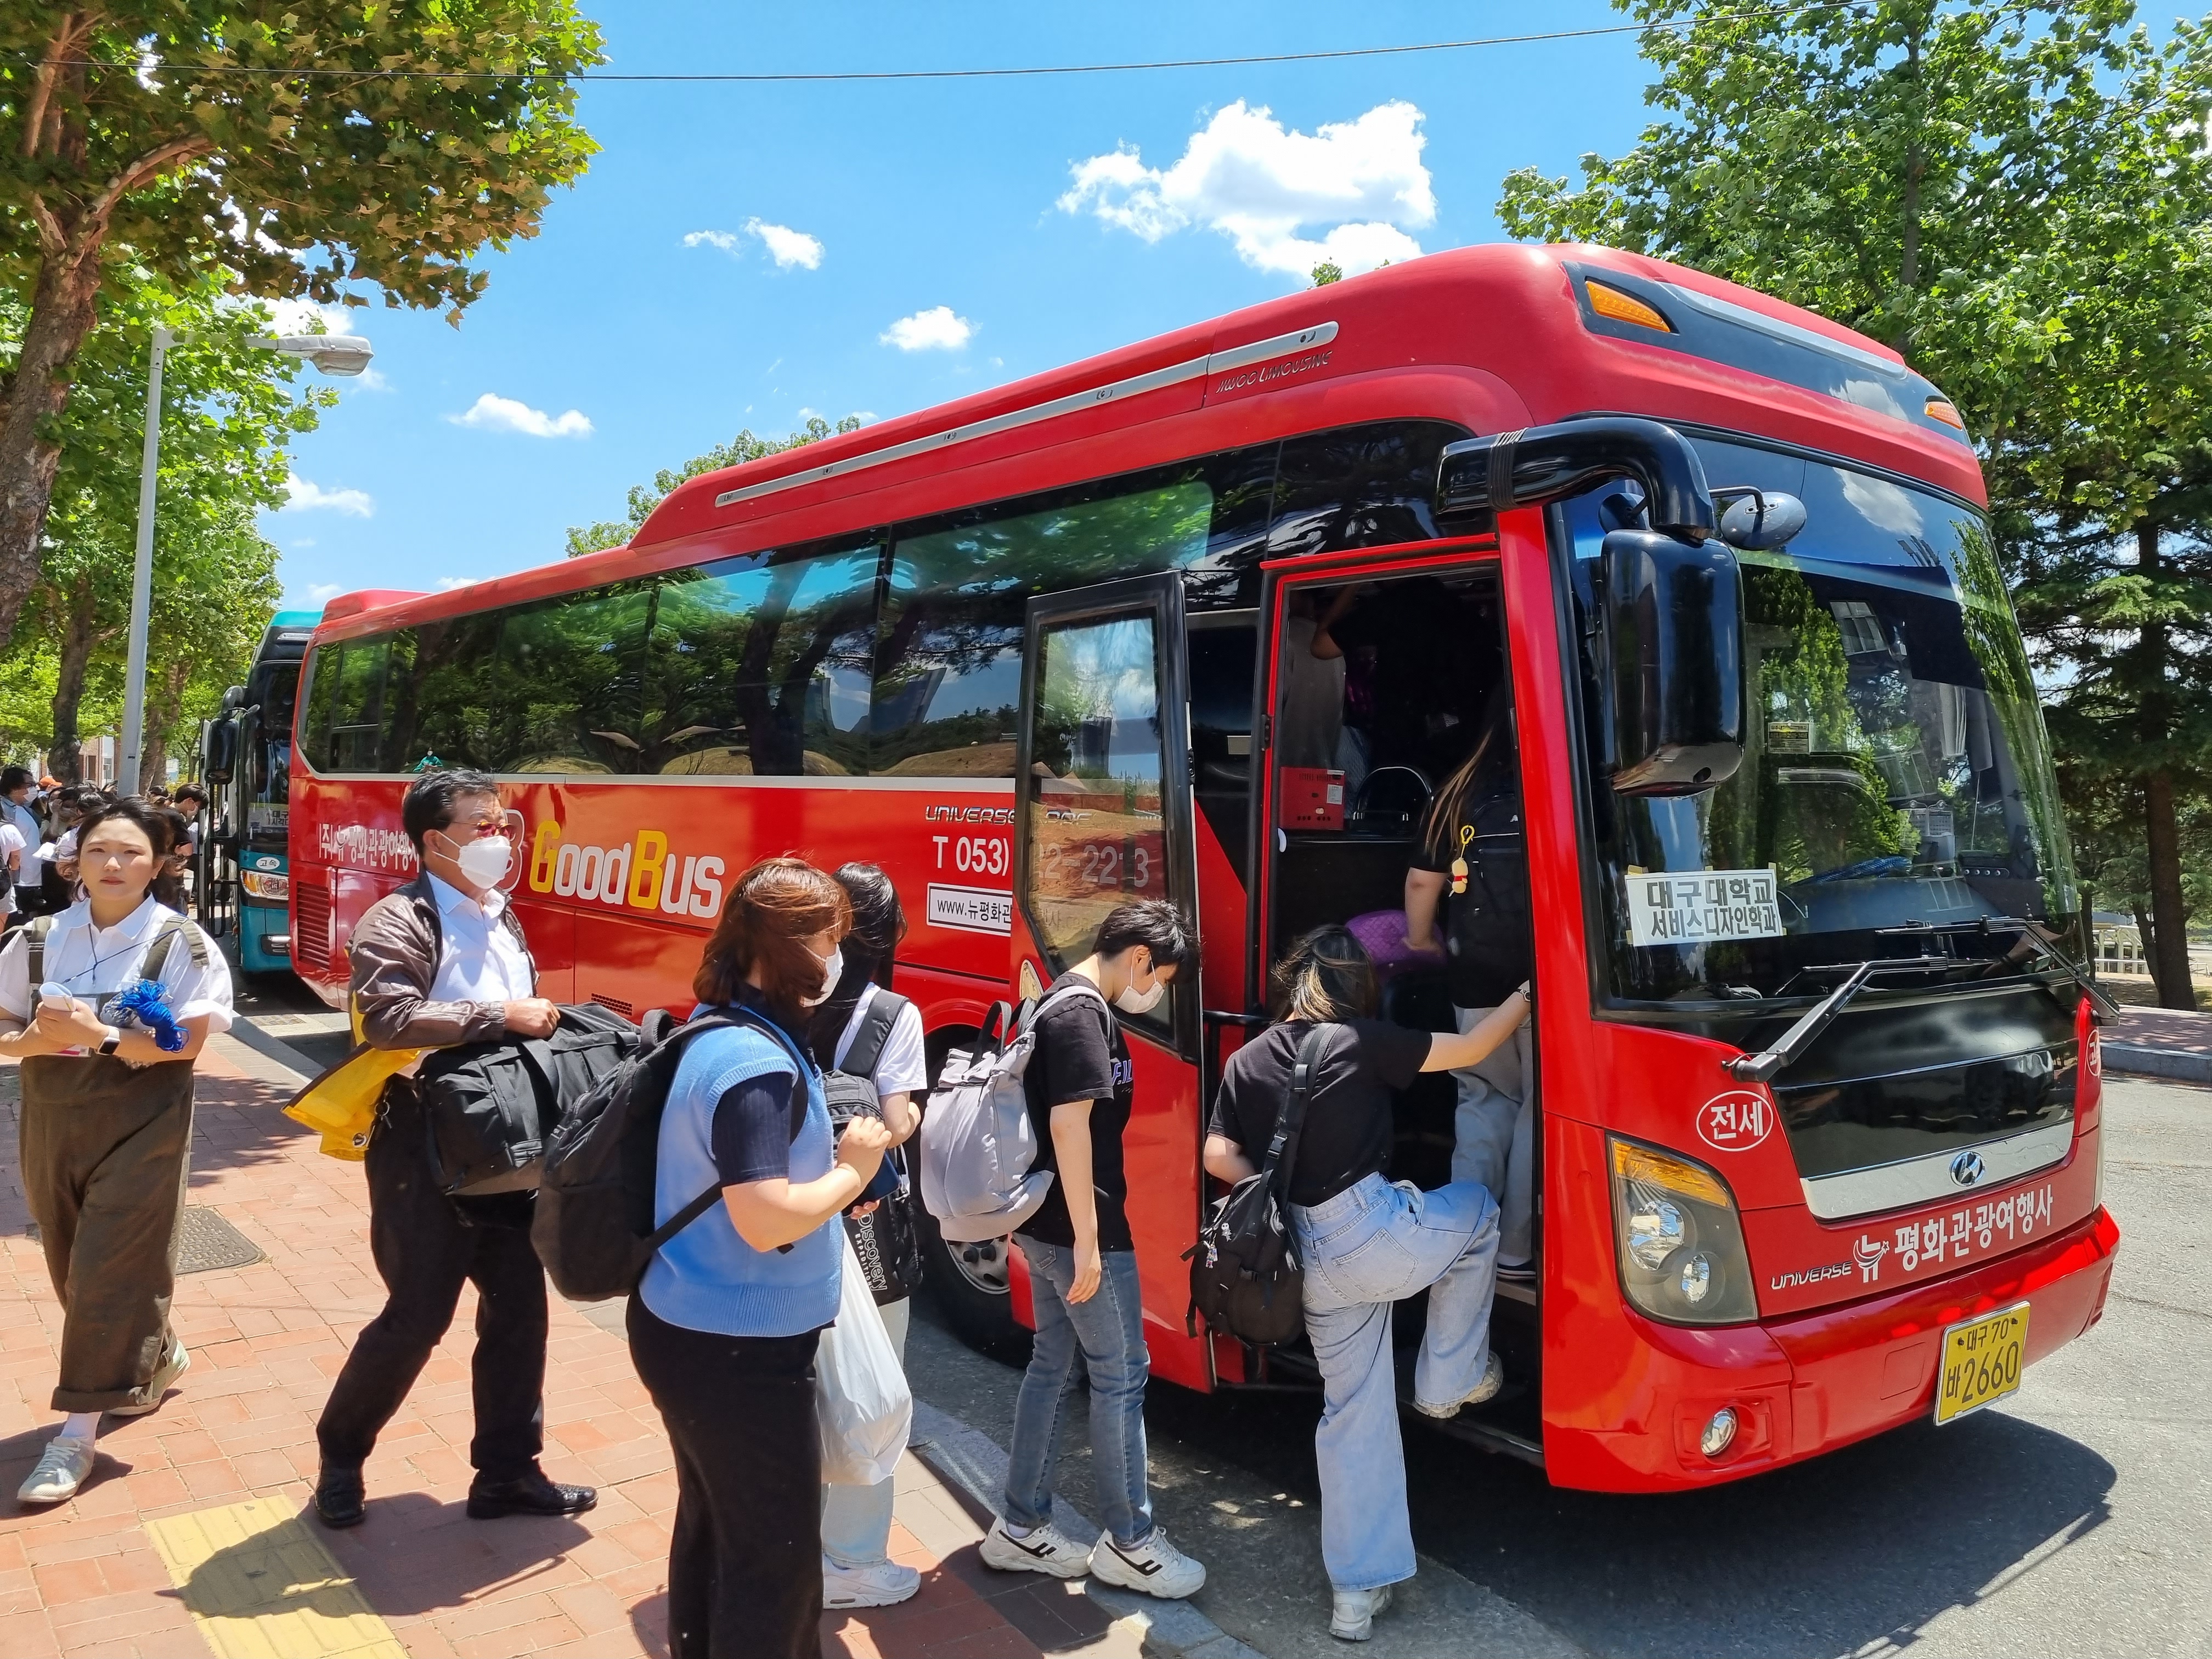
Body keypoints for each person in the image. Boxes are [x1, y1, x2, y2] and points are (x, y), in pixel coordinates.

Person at [1204, 927, 1530, 1641]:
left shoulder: (1246, 1059)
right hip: (1371, 1233)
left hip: (1301, 1260)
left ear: (1294, 980)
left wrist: (1270, 1187)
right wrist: (1528, 994)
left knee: (1353, 1413)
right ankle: (1450, 1379)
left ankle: (1355, 1595)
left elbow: (1216, 1153)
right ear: (1355, 987)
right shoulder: (1360, 1041)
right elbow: (1475, 1048)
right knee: (1478, 1213)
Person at [311, 769, 595, 1530]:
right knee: (416, 1317)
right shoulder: (397, 921)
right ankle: (341, 1456)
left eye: (503, 824)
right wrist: (499, 1014)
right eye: (483, 826)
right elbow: (387, 1019)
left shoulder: (502, 916)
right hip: (423, 1148)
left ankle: (508, 1473)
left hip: (507, 1147)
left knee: (519, 1315)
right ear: (435, 841)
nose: (501, 839)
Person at [628, 856, 893, 1659]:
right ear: (788, 948)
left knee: (719, 1531)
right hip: (737, 1352)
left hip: (697, 1330)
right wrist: (852, 1173)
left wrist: (830, 1184)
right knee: (775, 1566)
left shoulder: (729, 1028)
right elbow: (763, 1218)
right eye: (830, 940)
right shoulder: (756, 1064)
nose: (839, 956)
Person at [0, 797, 233, 1504]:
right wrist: (31, 1040)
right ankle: (154, 1355)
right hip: (53, 1122)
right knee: (72, 1264)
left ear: (158, 865)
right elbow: (5, 1030)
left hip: (145, 1126)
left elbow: (184, 1046)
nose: (113, 864)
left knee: (107, 1270)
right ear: (76, 860)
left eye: (132, 852)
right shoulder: (38, 939)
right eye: (99, 850)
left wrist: (96, 1034)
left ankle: (75, 1437)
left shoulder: (182, 944)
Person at [979, 900, 1207, 1600]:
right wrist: (1088, 1240)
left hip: (1046, 1222)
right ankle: (1131, 1543)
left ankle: (1020, 1526)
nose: (1156, 991)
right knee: (1121, 1374)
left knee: (1053, 1364)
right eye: (1161, 977)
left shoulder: (1056, 998)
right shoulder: (1082, 1015)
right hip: (1078, 1228)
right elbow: (1070, 1127)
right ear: (1140, 958)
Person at [808, 863, 929, 1611]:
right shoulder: (892, 1013)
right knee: (871, 1385)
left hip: (788, 1213)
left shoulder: (784, 991)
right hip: (864, 1219)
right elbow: (897, 1122)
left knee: (803, 1379)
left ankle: (794, 1543)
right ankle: (851, 1560)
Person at [1401, 730, 1537, 1284]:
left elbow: (1421, 882)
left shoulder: (1456, 792)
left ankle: (1464, 1242)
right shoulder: (1563, 780)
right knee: (1538, 1106)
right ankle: (1516, 1251)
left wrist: (1420, 940)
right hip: (1545, 975)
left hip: (1475, 972)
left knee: (1483, 1098)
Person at [3, 766, 43, 922]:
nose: (34, 789)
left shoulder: (26, 810)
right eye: (29, 785)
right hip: (17, 880)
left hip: (33, 878)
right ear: (14, 787)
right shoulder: (5, 810)